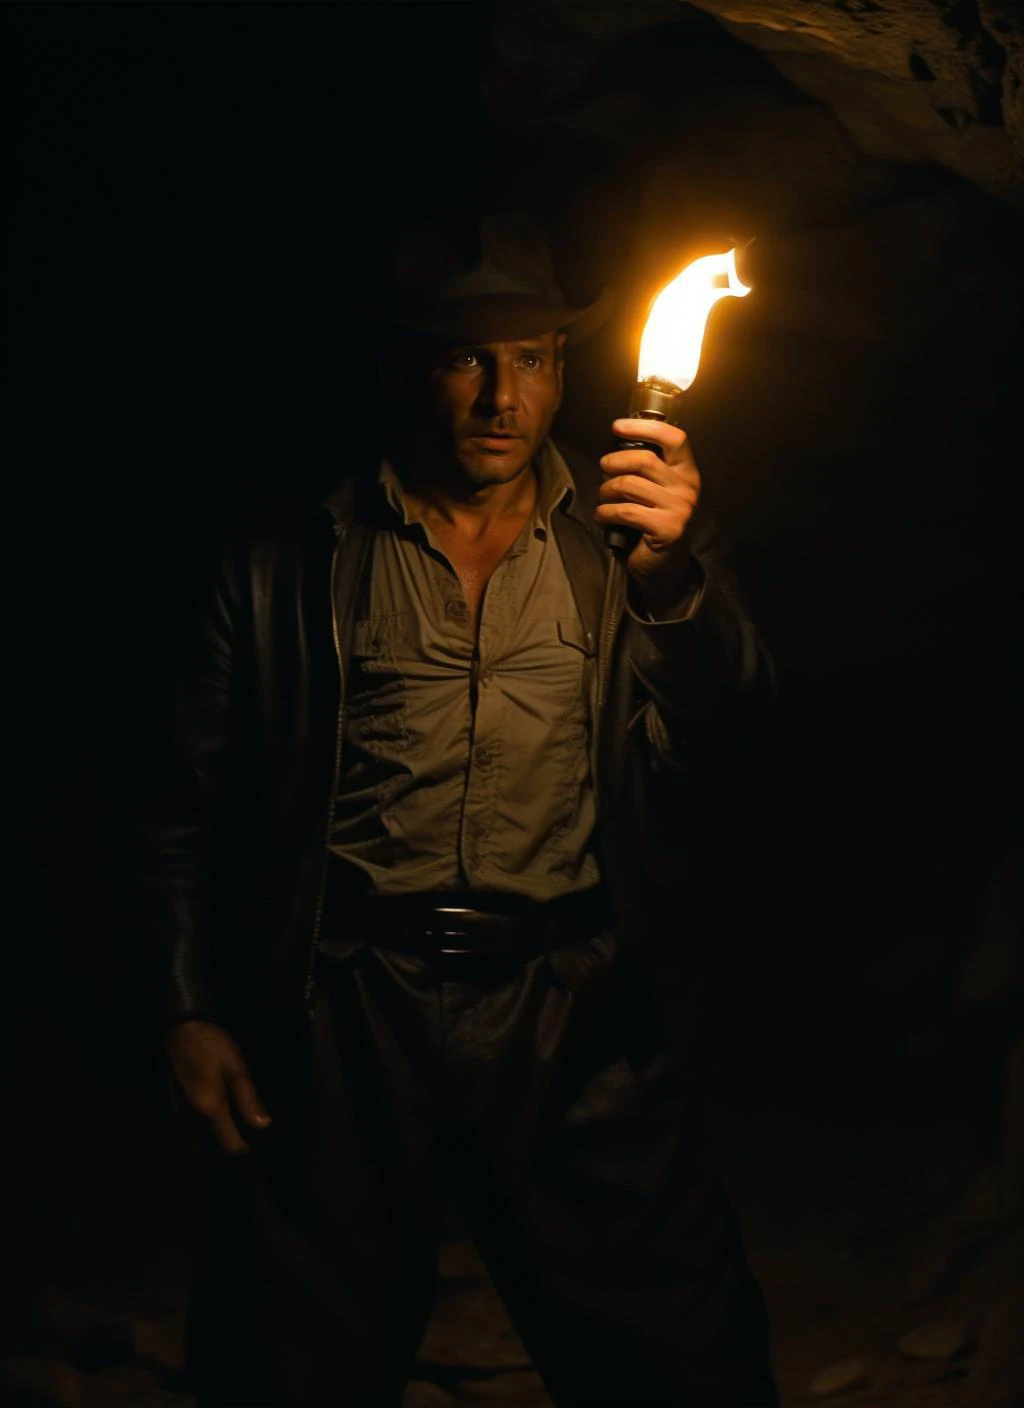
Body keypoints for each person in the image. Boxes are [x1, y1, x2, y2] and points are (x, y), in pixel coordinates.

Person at [138, 210, 780, 1407]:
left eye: (533, 358)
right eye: (465, 358)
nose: (502, 398)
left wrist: (673, 574)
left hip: (565, 1007)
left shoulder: (627, 538)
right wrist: (187, 1004)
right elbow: (187, 803)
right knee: (289, 1366)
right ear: (402, 366)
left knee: (682, 1359)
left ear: (564, 372)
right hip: (346, 1011)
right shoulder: (287, 560)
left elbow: (735, 726)